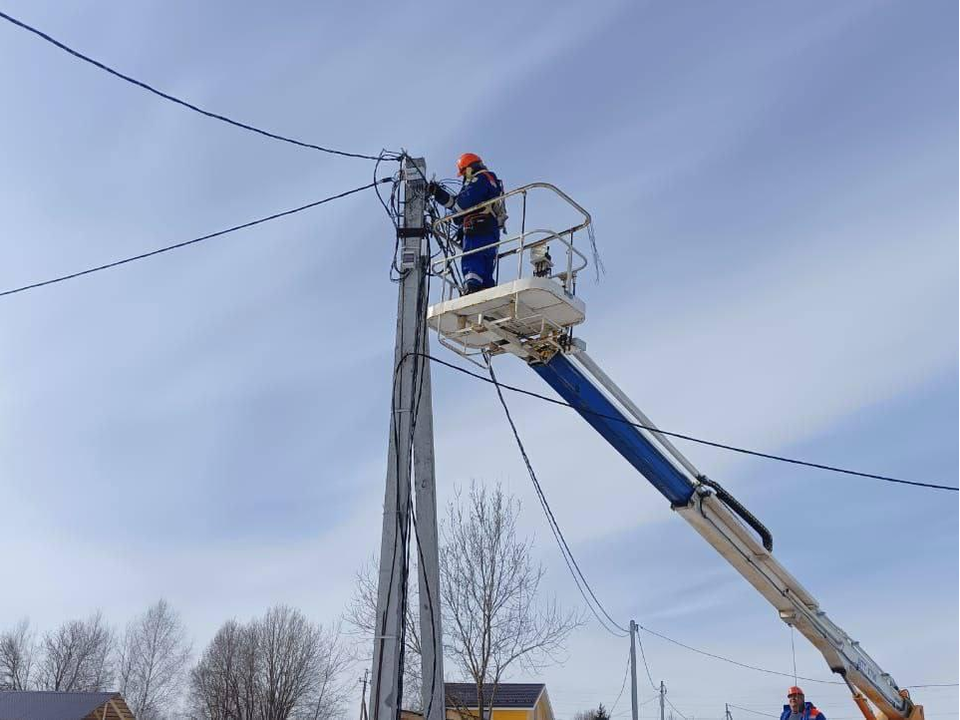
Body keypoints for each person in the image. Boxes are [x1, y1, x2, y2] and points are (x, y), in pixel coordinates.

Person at [428, 152, 504, 294]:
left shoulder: (479, 179)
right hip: (490, 229)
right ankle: (486, 289)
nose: (464, 177)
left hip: (478, 228)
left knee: (473, 257)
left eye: (464, 173)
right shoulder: (490, 179)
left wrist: (457, 218)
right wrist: (438, 194)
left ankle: (472, 286)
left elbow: (462, 205)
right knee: (486, 262)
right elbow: (458, 203)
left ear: (469, 169)